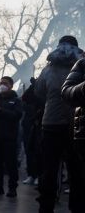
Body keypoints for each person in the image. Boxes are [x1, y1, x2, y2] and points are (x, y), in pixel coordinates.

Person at [35, 35, 84, 213]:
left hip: (51, 124)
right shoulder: (82, 65)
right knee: (76, 170)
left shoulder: (48, 69)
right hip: (76, 125)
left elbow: (39, 92)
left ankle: (45, 207)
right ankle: (77, 207)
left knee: (49, 169)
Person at [0, 76, 23, 197]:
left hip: (10, 138)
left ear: (11, 86)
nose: (2, 85)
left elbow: (16, 116)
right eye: (1, 83)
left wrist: (1, 110)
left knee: (10, 164)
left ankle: (12, 188)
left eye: (5, 83)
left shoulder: (16, 101)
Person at [21, 77, 43, 186]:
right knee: (29, 151)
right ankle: (31, 175)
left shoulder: (44, 92)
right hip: (29, 125)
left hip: (40, 124)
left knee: (39, 152)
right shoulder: (31, 91)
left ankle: (39, 175)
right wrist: (32, 86)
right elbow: (24, 98)